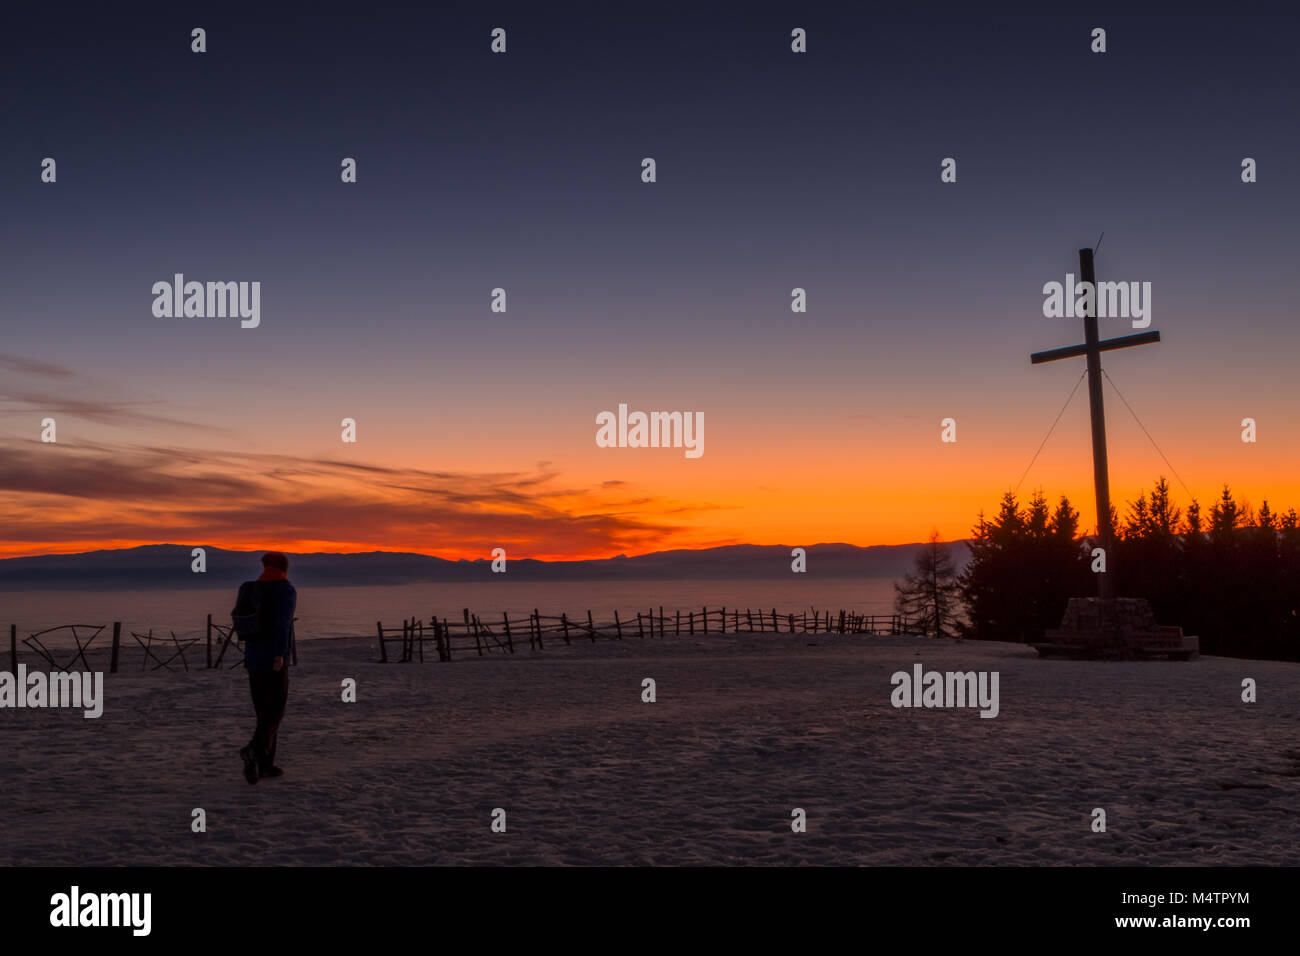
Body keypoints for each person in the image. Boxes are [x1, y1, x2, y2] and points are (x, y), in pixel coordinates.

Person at [235, 551, 296, 784]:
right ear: (284, 567)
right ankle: (254, 751)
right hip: (273, 660)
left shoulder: (248, 588)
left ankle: (264, 764)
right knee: (275, 712)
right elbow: (283, 625)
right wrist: (280, 655)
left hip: (252, 657)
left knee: (263, 712)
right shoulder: (285, 590)